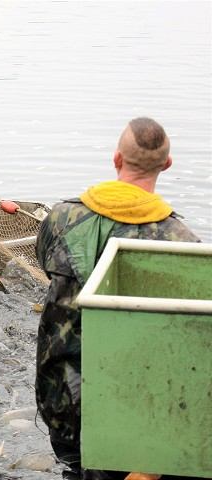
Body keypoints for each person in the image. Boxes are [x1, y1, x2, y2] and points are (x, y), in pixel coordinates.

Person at [35, 117, 200, 480]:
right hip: (140, 410)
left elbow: (46, 267)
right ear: (167, 165)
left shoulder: (61, 218)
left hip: (63, 397)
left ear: (116, 159)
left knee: (79, 469)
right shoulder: (182, 241)